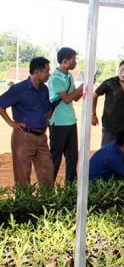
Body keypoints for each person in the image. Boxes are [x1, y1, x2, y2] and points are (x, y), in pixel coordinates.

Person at [0, 56, 54, 187]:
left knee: (47, 171)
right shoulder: (18, 89)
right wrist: (11, 123)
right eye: (46, 71)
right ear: (37, 72)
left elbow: (48, 108)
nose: (49, 74)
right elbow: (1, 104)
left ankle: (46, 204)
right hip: (23, 136)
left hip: (41, 137)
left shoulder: (44, 89)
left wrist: (45, 122)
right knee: (22, 175)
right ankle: (24, 206)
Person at [48, 47, 83, 183]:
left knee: (72, 157)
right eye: (73, 59)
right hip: (58, 123)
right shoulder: (55, 79)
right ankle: (49, 188)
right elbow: (67, 98)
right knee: (55, 157)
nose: (75, 62)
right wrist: (81, 87)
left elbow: (75, 97)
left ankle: (70, 185)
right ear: (65, 61)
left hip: (70, 122)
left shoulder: (68, 76)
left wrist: (84, 89)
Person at [92, 59, 124, 146]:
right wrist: (93, 114)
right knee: (107, 153)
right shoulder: (109, 83)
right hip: (110, 125)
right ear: (118, 70)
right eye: (122, 70)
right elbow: (94, 96)